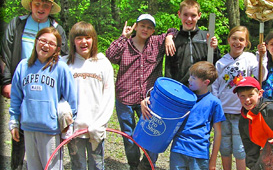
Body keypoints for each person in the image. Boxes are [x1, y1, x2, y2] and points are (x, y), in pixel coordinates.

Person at [1, 0, 68, 170]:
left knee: (43, 129)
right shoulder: (17, 24)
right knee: (19, 130)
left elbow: (63, 58)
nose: (41, 8)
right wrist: (6, 81)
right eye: (37, 4)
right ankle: (17, 166)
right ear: (31, 5)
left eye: (45, 5)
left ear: (50, 8)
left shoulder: (57, 29)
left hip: (47, 88)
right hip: (21, 83)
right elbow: (5, 54)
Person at [106, 14, 176, 170]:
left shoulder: (157, 43)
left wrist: (169, 37)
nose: (145, 29)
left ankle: (146, 165)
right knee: (129, 135)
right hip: (125, 98)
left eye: (149, 27)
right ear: (135, 26)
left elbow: (174, 30)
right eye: (142, 25)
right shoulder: (125, 44)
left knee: (153, 132)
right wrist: (123, 37)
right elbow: (110, 56)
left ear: (153, 31)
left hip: (149, 99)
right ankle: (133, 165)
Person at [8, 27, 77, 170]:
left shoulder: (61, 68)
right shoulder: (23, 66)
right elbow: (16, 96)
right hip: (28, 127)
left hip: (50, 130)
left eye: (51, 43)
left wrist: (69, 125)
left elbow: (72, 100)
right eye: (43, 40)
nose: (46, 45)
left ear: (57, 49)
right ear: (36, 41)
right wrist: (14, 121)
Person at [141, 61, 225, 169]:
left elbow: (218, 133)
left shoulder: (214, 102)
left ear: (206, 82)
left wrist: (213, 161)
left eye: (194, 78)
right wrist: (146, 101)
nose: (189, 80)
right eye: (190, 76)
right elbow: (162, 101)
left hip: (199, 153)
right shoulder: (183, 97)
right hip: (178, 149)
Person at [211, 25, 267, 170]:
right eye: (234, 38)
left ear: (247, 43)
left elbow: (262, 75)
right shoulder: (221, 62)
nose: (237, 42)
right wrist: (217, 104)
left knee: (239, 148)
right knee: (224, 147)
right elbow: (215, 85)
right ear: (229, 40)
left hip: (241, 112)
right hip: (223, 112)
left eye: (241, 39)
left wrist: (262, 57)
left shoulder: (249, 59)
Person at [61, 21, 115, 170]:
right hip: (73, 128)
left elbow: (108, 97)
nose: (83, 42)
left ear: (94, 39)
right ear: (72, 41)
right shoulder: (64, 64)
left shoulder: (103, 63)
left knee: (97, 165)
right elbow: (59, 97)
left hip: (96, 128)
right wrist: (66, 122)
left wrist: (100, 124)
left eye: (87, 37)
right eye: (79, 38)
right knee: (77, 165)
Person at [165, 0, 220, 86]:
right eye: (185, 15)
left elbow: (216, 64)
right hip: (180, 88)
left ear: (199, 15)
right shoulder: (173, 40)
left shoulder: (206, 37)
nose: (189, 19)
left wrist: (215, 49)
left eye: (193, 15)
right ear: (179, 14)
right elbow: (168, 68)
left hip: (202, 88)